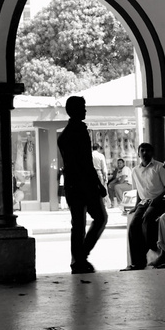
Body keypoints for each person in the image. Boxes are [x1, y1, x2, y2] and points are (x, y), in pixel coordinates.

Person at [58, 96, 108, 273]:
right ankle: (81, 256)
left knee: (78, 224)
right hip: (84, 184)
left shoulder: (65, 134)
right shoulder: (78, 131)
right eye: (83, 107)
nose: (85, 110)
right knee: (100, 218)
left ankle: (78, 259)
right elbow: (85, 163)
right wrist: (98, 184)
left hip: (73, 185)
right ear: (75, 110)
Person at [122, 142, 165, 270]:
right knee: (133, 227)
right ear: (138, 153)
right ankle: (137, 263)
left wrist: (156, 200)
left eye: (148, 150)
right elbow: (139, 191)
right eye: (142, 150)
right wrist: (136, 205)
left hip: (160, 201)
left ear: (152, 153)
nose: (145, 153)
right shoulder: (135, 170)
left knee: (147, 221)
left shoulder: (159, 167)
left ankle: (153, 247)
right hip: (144, 202)